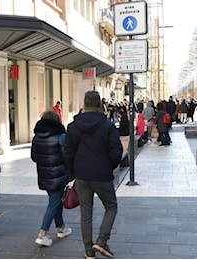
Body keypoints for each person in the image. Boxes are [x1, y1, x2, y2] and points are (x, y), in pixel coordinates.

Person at [63, 91, 123, 259]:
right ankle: (102, 241)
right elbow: (116, 151)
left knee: (86, 213)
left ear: (84, 104)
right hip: (102, 174)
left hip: (82, 175)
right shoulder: (108, 125)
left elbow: (67, 152)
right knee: (111, 206)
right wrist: (109, 166)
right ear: (99, 105)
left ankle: (89, 250)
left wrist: (73, 173)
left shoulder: (73, 126)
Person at [30, 110, 72, 247]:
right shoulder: (60, 137)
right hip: (59, 175)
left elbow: (34, 157)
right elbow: (67, 157)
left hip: (44, 175)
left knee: (55, 201)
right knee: (54, 203)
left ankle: (62, 227)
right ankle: (43, 234)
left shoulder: (36, 137)